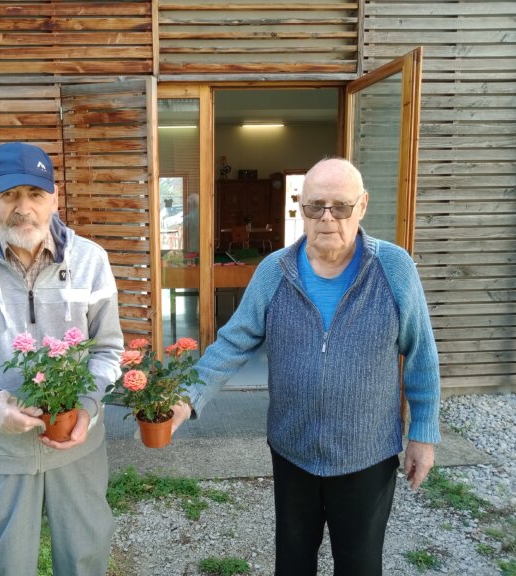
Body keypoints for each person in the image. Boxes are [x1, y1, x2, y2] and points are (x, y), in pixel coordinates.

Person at [170, 157, 440, 575]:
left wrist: (422, 433)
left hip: (366, 454)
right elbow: (233, 342)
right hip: (293, 452)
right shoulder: (274, 271)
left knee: (360, 564)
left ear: (362, 206)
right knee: (293, 562)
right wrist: (187, 398)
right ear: (301, 208)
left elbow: (421, 354)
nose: (327, 217)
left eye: (340, 206)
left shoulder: (393, 269)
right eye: (315, 206)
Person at [0, 142, 123, 575]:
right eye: (9, 194)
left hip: (79, 442)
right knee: (6, 564)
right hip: (2, 447)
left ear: (54, 198)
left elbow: (108, 350)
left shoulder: (91, 261)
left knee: (86, 556)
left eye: (35, 195)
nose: (23, 208)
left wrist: (88, 408)